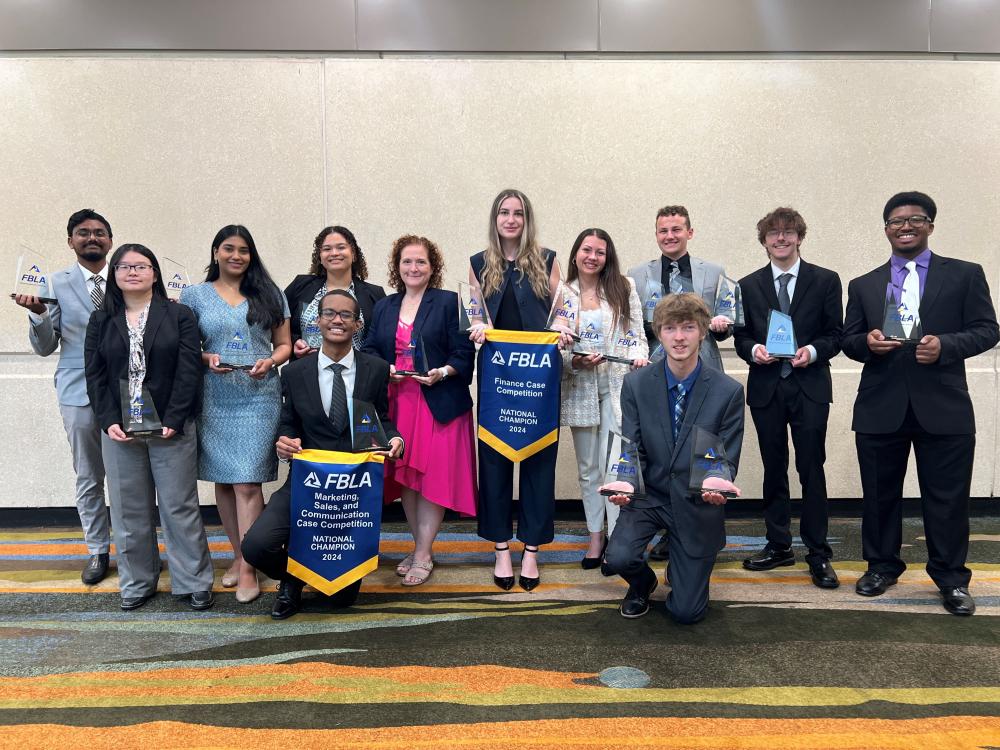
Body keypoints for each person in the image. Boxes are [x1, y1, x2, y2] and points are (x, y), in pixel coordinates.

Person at [841, 191, 998, 616]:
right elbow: (848, 339)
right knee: (878, 495)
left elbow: (988, 329)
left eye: (915, 219)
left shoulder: (964, 275)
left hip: (943, 406)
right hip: (880, 405)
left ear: (930, 224)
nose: (905, 226)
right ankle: (881, 566)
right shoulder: (865, 284)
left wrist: (946, 346)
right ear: (886, 229)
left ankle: (951, 579)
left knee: (947, 498)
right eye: (895, 221)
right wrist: (868, 343)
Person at [241, 290, 403, 619]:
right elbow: (288, 422)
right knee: (255, 546)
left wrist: (395, 439)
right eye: (330, 314)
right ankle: (292, 580)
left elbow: (379, 418)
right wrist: (285, 440)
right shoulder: (295, 372)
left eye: (346, 315)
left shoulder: (374, 369)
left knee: (342, 599)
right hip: (306, 481)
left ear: (358, 324)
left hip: (351, 489)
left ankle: (311, 576)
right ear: (318, 321)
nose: (337, 320)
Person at [84, 244, 214, 611]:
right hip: (120, 431)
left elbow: (190, 371)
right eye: (124, 267)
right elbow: (95, 375)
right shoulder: (101, 319)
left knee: (179, 507)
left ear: (154, 273)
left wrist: (175, 418)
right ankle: (137, 582)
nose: (133, 272)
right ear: (115, 275)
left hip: (171, 428)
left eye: (141, 266)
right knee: (128, 510)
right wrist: (108, 420)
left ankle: (194, 581)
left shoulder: (179, 315)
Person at [603, 293, 744, 625]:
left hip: (696, 502)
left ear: (703, 332)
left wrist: (715, 485)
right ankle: (643, 583)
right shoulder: (636, 385)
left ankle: (684, 568)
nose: (679, 337)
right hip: (650, 495)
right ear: (659, 332)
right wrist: (626, 481)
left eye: (688, 327)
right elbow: (631, 445)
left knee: (685, 613)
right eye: (670, 328)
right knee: (618, 557)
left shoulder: (728, 391)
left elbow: (723, 457)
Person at [179, 225, 292, 603]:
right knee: (224, 482)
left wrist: (270, 361)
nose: (236, 256)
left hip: (258, 395)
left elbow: (284, 344)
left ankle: (249, 566)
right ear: (215, 253)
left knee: (247, 482)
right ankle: (240, 553)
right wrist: (203, 356)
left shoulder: (269, 293)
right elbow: (183, 345)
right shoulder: (193, 295)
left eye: (244, 250)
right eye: (228, 249)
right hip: (213, 394)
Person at [734, 208, 843, 589]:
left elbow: (836, 334)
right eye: (773, 234)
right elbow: (741, 336)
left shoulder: (826, 280)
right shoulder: (747, 285)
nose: (780, 239)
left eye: (788, 232)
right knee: (773, 467)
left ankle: (818, 553)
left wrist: (812, 351)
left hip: (809, 385)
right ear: (763, 241)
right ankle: (779, 544)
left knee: (812, 468)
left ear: (800, 237)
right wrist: (754, 351)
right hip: (767, 387)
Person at [469, 188, 570, 591]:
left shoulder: (547, 260)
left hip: (540, 372)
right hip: (497, 375)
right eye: (504, 213)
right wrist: (475, 327)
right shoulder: (478, 263)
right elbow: (474, 312)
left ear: (527, 220)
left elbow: (563, 309)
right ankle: (499, 547)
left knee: (539, 460)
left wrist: (563, 327)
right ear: (495, 219)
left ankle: (530, 549)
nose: (511, 220)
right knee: (493, 461)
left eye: (518, 213)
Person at [363, 235, 477, 585]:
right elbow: (369, 348)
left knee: (431, 479)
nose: (414, 268)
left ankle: (424, 553)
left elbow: (464, 353)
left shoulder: (448, 302)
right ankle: (418, 546)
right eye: (407, 262)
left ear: (433, 267)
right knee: (407, 479)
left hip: (436, 401)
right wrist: (387, 371)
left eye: (421, 262)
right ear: (397, 267)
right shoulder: (384, 306)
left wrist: (442, 372)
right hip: (398, 401)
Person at [628, 205, 734, 561]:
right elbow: (632, 326)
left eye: (676, 229)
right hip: (654, 374)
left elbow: (732, 317)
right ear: (656, 235)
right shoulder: (636, 275)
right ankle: (658, 526)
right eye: (663, 231)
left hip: (700, 370)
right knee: (660, 447)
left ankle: (686, 533)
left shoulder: (715, 272)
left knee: (693, 447)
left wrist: (723, 324)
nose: (669, 236)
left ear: (690, 232)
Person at [15, 209, 114, 584]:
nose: (92, 238)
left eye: (99, 232)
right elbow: (44, 347)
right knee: (89, 475)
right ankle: (97, 550)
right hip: (78, 391)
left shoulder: (126, 277)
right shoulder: (54, 283)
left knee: (127, 477)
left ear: (110, 239)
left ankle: (135, 549)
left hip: (126, 391)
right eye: (83, 232)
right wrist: (38, 314)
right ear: (70, 240)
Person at [560, 228, 648, 570]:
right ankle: (595, 537)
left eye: (599, 251)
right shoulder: (563, 293)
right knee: (588, 470)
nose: (592, 257)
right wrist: (575, 361)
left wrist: (639, 357)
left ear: (607, 257)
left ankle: (618, 538)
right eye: (587, 249)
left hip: (616, 388)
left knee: (615, 467)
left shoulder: (623, 287)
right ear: (575, 253)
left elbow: (639, 337)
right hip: (580, 388)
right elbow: (557, 346)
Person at [285, 225, 386, 358]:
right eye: (327, 249)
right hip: (306, 372)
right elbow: (277, 327)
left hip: (358, 373)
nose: (334, 253)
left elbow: (382, 339)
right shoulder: (300, 286)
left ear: (354, 254)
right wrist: (293, 342)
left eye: (341, 247)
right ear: (320, 257)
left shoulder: (374, 294)